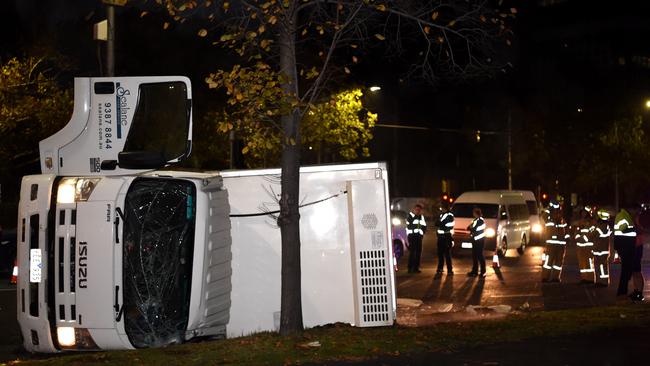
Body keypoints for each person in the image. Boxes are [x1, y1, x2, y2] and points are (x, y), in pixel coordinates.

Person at [541, 201, 569, 282]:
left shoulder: (562, 220)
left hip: (561, 245)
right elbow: (544, 215)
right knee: (548, 262)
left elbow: (566, 231)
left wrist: (567, 238)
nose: (556, 213)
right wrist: (550, 207)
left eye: (558, 211)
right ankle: (545, 277)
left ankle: (555, 277)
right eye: (555, 210)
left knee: (558, 262)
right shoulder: (548, 219)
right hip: (551, 245)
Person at [614, 207, 637, 297]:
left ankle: (623, 291)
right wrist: (635, 229)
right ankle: (622, 292)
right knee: (625, 271)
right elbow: (623, 229)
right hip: (625, 246)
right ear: (631, 209)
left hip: (625, 246)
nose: (637, 213)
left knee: (626, 271)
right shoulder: (623, 216)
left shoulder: (625, 216)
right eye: (636, 210)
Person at [573, 206, 596, 283]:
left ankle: (590, 278)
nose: (583, 214)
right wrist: (577, 237)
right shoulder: (579, 222)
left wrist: (584, 238)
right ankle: (584, 278)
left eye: (585, 212)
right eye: (582, 212)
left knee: (589, 262)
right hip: (580, 246)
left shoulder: (591, 222)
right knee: (582, 263)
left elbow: (592, 233)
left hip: (588, 246)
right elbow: (576, 232)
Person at [630, 204, 648, 301]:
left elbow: (637, 237)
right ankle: (636, 290)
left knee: (637, 271)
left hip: (636, 249)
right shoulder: (636, 226)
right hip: (634, 248)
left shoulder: (638, 227)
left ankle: (639, 292)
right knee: (634, 271)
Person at [592, 210, 612, 287]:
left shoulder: (598, 227)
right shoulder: (608, 227)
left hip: (598, 249)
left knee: (598, 266)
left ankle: (600, 282)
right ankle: (604, 281)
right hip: (605, 250)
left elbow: (591, 236)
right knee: (603, 266)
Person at [406, 204, 427, 273]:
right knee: (412, 253)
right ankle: (410, 268)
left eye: (419, 210)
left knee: (418, 253)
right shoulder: (410, 216)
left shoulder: (421, 217)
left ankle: (416, 268)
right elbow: (409, 226)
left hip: (419, 237)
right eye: (417, 209)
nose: (418, 211)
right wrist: (415, 218)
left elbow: (424, 226)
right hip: (412, 236)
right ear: (414, 210)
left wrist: (423, 232)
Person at [435, 202, 454, 275]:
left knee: (447, 254)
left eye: (442, 208)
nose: (441, 209)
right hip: (440, 237)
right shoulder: (441, 215)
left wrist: (440, 224)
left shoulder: (449, 215)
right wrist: (440, 223)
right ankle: (440, 268)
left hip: (446, 237)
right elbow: (436, 223)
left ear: (445, 208)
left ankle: (450, 270)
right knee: (440, 254)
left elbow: (445, 225)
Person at [467, 207, 487, 278]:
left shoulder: (481, 220)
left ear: (477, 213)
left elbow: (474, 229)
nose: (473, 214)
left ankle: (483, 272)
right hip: (475, 240)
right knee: (474, 256)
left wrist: (471, 228)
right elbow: (469, 227)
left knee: (480, 256)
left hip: (480, 241)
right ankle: (474, 271)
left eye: (474, 213)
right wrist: (470, 228)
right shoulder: (475, 220)